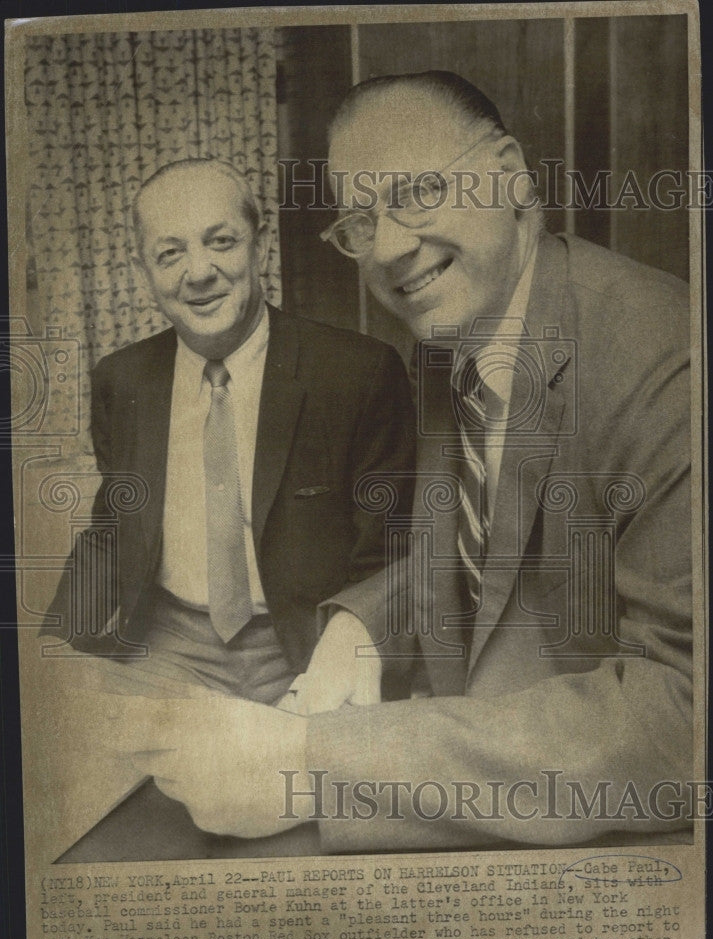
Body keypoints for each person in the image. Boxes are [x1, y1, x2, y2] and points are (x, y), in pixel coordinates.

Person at [120, 73, 693, 850]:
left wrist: (309, 763)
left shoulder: (670, 360)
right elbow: (480, 560)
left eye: (418, 191)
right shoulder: (447, 348)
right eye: (360, 220)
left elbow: (683, 719)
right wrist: (366, 624)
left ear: (511, 174)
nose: (388, 246)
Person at [42, 157, 415, 706]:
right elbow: (113, 533)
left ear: (259, 248)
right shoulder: (120, 382)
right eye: (170, 254)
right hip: (166, 644)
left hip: (305, 644)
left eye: (220, 242)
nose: (197, 273)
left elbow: (389, 557)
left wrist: (344, 652)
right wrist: (49, 649)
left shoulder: (358, 373)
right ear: (144, 271)